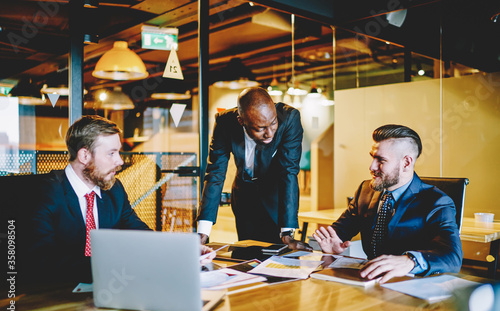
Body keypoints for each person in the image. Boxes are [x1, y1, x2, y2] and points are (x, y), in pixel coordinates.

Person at [27, 115, 214, 284]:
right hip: (55, 300)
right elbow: (42, 260)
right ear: (84, 155)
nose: (120, 161)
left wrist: (183, 250)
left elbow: (140, 233)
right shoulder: (44, 192)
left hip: (109, 292)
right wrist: (119, 266)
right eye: (111, 153)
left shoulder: (114, 189)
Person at [313, 124, 462, 283]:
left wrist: (409, 261)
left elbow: (452, 256)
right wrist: (333, 245)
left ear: (406, 163)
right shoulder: (365, 190)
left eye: (381, 160)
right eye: (372, 157)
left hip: (410, 286)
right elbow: (341, 230)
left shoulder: (437, 202)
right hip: (369, 283)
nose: (372, 167)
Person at [196, 87, 311, 250]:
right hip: (244, 198)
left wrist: (287, 233)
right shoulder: (224, 123)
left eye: (273, 123)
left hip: (275, 198)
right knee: (245, 254)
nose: (269, 133)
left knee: (277, 259)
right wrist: (203, 232)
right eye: (260, 128)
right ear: (241, 121)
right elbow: (215, 173)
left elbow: (289, 172)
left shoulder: (289, 118)